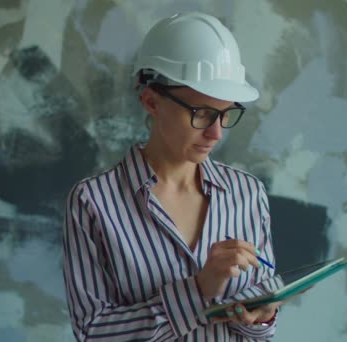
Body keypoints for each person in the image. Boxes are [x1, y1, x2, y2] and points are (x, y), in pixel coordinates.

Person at [62, 12, 281, 341]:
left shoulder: (246, 194)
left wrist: (262, 316)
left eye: (225, 113)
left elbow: (261, 324)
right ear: (151, 101)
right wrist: (197, 291)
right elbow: (92, 332)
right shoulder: (92, 203)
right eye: (202, 113)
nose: (216, 133)